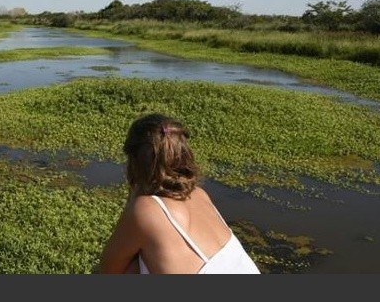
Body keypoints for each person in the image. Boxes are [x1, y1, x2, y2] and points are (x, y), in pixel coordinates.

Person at [99, 113, 261, 274]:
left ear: (134, 160)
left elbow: (108, 270)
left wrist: (135, 193)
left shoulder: (145, 209)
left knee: (131, 267)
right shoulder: (199, 194)